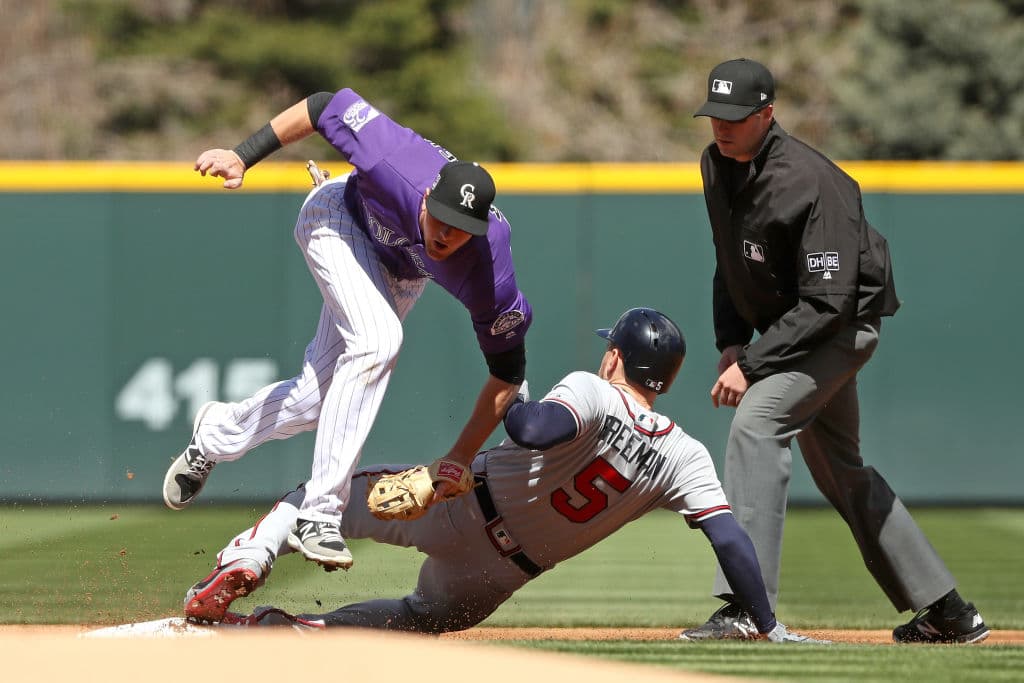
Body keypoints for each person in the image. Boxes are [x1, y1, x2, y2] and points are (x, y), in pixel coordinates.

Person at [179, 308, 824, 643]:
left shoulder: (592, 390)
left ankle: (248, 559)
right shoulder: (685, 454)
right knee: (420, 618)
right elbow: (730, 540)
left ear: (614, 356)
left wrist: (511, 391)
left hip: (457, 502)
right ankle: (299, 631)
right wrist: (764, 621)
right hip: (499, 576)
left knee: (319, 498)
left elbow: (532, 430)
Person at [680, 58, 988, 644]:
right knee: (842, 473)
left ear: (767, 115)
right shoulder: (716, 165)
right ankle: (949, 611)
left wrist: (752, 365)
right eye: (715, 114)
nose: (722, 126)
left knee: (757, 423)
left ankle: (749, 608)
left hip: (840, 328)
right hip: (786, 329)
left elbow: (828, 304)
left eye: (737, 117)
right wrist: (730, 342)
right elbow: (729, 262)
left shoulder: (817, 183)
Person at [162, 88, 531, 571]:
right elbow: (322, 105)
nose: (445, 233)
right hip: (338, 218)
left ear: (479, 229)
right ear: (426, 195)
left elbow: (508, 374)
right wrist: (240, 155)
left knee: (314, 402)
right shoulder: (392, 159)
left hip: (400, 271)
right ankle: (320, 514)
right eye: (439, 216)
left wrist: (461, 456)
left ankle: (214, 436)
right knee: (379, 342)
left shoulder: (488, 272)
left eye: (460, 227)